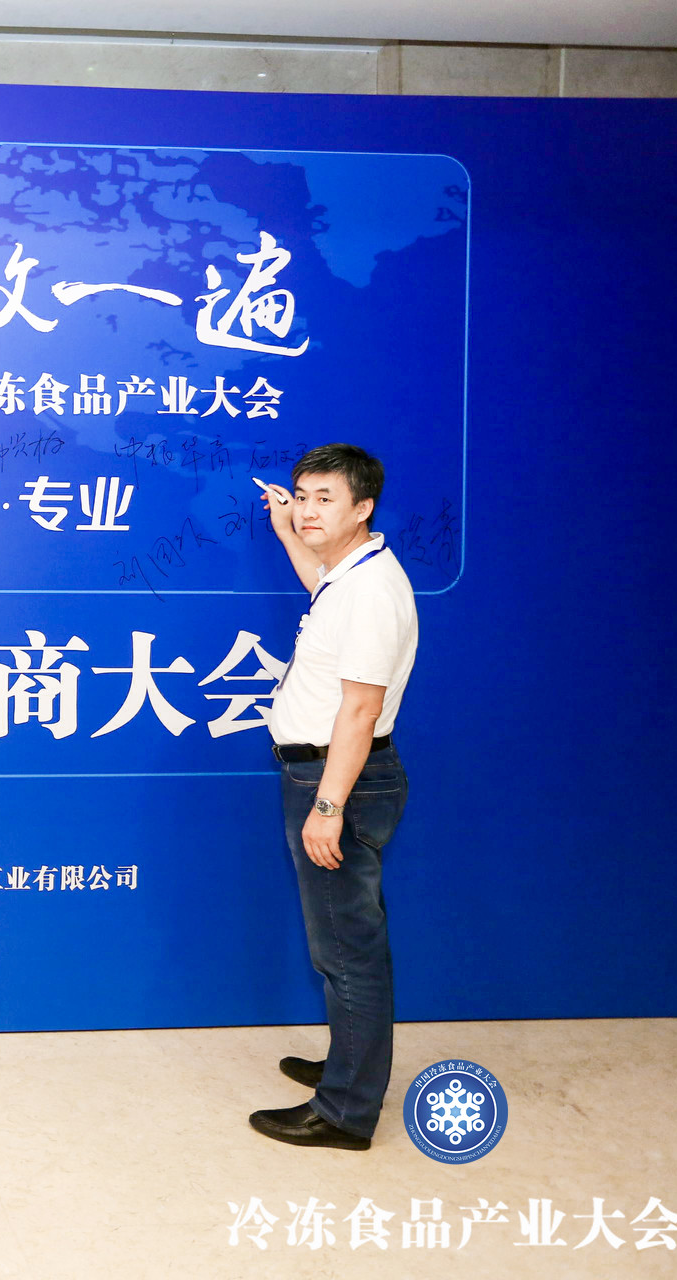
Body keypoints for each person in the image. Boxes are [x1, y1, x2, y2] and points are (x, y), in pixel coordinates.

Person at [249, 444, 418, 1151]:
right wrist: (287, 532)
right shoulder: (348, 575)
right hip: (326, 776)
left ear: (363, 507)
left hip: (337, 781)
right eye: (301, 496)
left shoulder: (371, 591)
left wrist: (328, 806)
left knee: (347, 949)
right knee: (342, 943)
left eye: (325, 499)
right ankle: (349, 1065)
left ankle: (345, 1111)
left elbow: (360, 709)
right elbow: (319, 581)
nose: (308, 510)